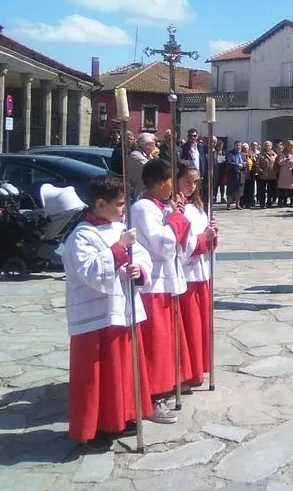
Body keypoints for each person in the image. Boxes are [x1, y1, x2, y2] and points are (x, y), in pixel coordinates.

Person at [62, 175, 154, 447]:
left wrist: (139, 271)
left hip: (122, 310)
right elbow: (91, 273)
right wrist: (120, 248)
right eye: (119, 204)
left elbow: (143, 256)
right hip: (96, 316)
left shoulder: (118, 228)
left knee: (123, 369)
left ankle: (123, 416)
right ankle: (97, 427)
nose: (124, 208)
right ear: (100, 204)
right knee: (97, 375)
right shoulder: (81, 236)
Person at [130, 158, 191, 424]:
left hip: (166, 282)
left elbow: (176, 239)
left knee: (166, 340)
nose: (172, 187)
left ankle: (166, 385)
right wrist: (176, 219)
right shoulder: (143, 208)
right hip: (153, 283)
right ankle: (152, 398)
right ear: (160, 182)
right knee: (155, 343)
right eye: (170, 181)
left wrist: (175, 214)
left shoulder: (159, 206)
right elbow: (162, 245)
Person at [175, 161, 218, 389]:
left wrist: (213, 234)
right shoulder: (176, 208)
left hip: (201, 271)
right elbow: (181, 244)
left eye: (195, 183)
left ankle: (198, 367)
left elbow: (205, 236)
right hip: (186, 274)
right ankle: (185, 372)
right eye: (187, 182)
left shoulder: (199, 206)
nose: (191, 187)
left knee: (200, 325)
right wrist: (204, 239)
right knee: (189, 325)